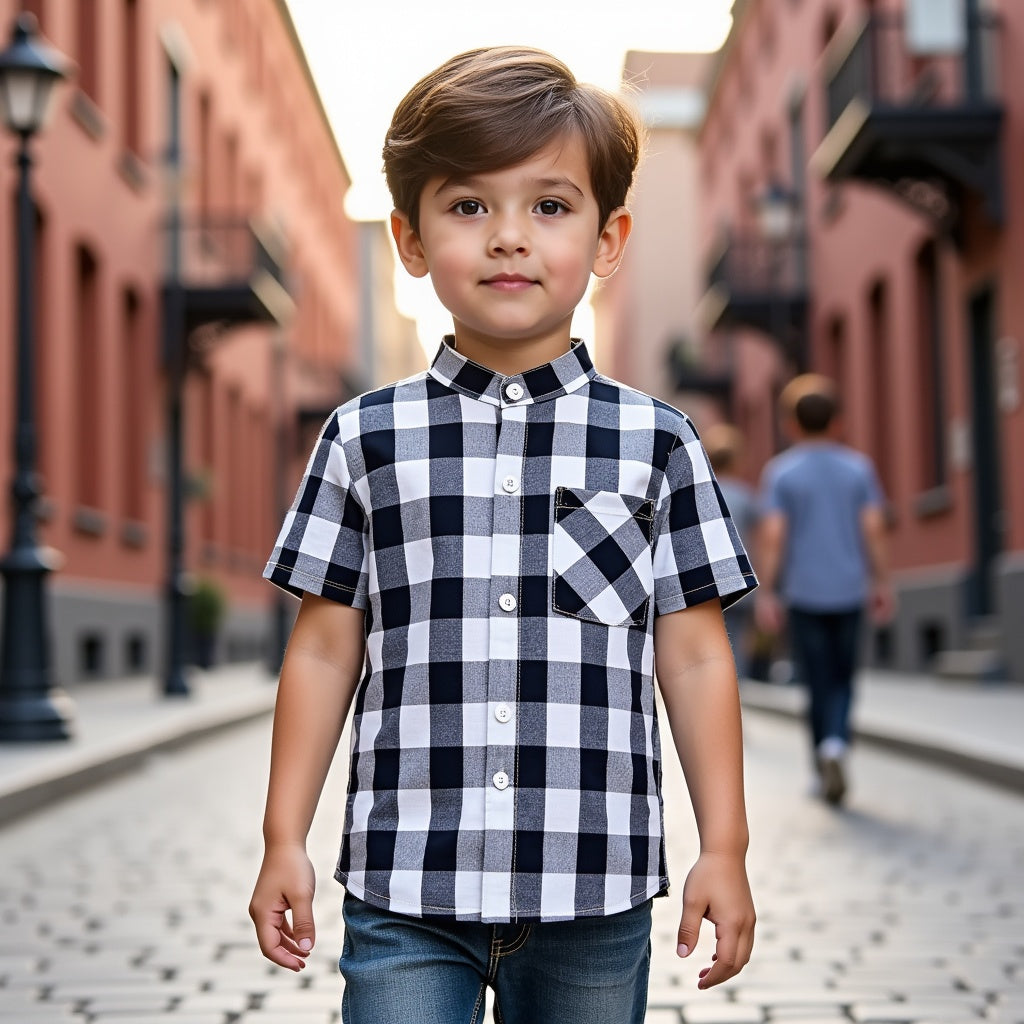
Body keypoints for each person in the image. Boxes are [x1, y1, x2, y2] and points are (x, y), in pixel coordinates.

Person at [249, 47, 757, 1023]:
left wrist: (723, 847)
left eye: (550, 207)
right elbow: (320, 650)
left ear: (608, 241)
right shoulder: (363, 438)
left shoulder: (658, 445)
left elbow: (691, 658)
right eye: (469, 206)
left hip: (592, 883)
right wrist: (284, 837)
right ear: (408, 236)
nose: (509, 238)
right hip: (407, 882)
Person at [755, 375, 893, 805]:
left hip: (804, 593)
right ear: (838, 422)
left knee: (815, 680)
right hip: (849, 590)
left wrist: (768, 592)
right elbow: (873, 528)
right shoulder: (859, 468)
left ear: (792, 425)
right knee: (845, 676)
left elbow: (775, 536)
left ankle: (821, 759)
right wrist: (882, 580)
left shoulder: (780, 473)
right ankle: (837, 742)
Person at [703, 424, 760, 679]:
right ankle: (739, 690)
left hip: (708, 579)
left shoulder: (702, 493)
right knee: (738, 637)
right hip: (741, 575)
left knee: (710, 637)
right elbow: (759, 536)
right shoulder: (746, 496)